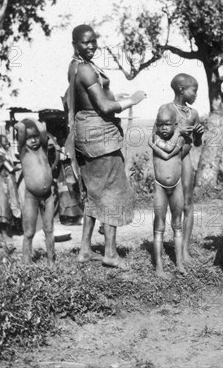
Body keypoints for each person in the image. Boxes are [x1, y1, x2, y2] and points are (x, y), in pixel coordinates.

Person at [64, 24, 146, 269]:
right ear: (75, 44)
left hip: (85, 134)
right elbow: (104, 108)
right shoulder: (86, 70)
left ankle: (85, 250)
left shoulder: (74, 66)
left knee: (93, 191)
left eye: (93, 41)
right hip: (100, 138)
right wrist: (133, 100)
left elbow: (92, 100)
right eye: (85, 42)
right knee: (112, 192)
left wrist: (113, 97)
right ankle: (110, 253)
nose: (90, 46)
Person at [155, 73, 205, 263]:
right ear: (181, 90)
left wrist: (199, 134)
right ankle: (165, 244)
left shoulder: (193, 114)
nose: (196, 95)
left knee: (188, 203)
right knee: (168, 204)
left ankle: (184, 249)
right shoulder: (166, 109)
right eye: (194, 90)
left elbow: (197, 143)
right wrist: (178, 132)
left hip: (185, 158)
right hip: (169, 161)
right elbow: (155, 138)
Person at [149, 105, 186, 277]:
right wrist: (178, 133)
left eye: (168, 124)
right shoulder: (155, 136)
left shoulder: (180, 138)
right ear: (156, 125)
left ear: (175, 124)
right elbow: (167, 151)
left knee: (177, 225)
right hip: (160, 187)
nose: (163, 128)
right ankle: (159, 268)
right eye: (160, 124)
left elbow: (169, 150)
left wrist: (178, 134)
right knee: (159, 226)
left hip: (176, 185)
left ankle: (179, 264)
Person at [16, 119, 56, 265]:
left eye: (35, 136)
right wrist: (21, 126)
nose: (33, 140)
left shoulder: (43, 149)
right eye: (28, 138)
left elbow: (44, 131)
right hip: (31, 196)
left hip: (48, 196)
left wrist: (36, 122)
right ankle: (26, 261)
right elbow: (20, 134)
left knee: (49, 229)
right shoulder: (23, 152)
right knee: (29, 232)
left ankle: (51, 261)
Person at [0, 134, 21, 252]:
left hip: (4, 184)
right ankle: (4, 236)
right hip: (2, 186)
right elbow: (10, 169)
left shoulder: (2, 154)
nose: (7, 143)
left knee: (3, 209)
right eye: (5, 141)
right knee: (3, 209)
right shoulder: (0, 155)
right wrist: (21, 166)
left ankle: (0, 237)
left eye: (7, 141)